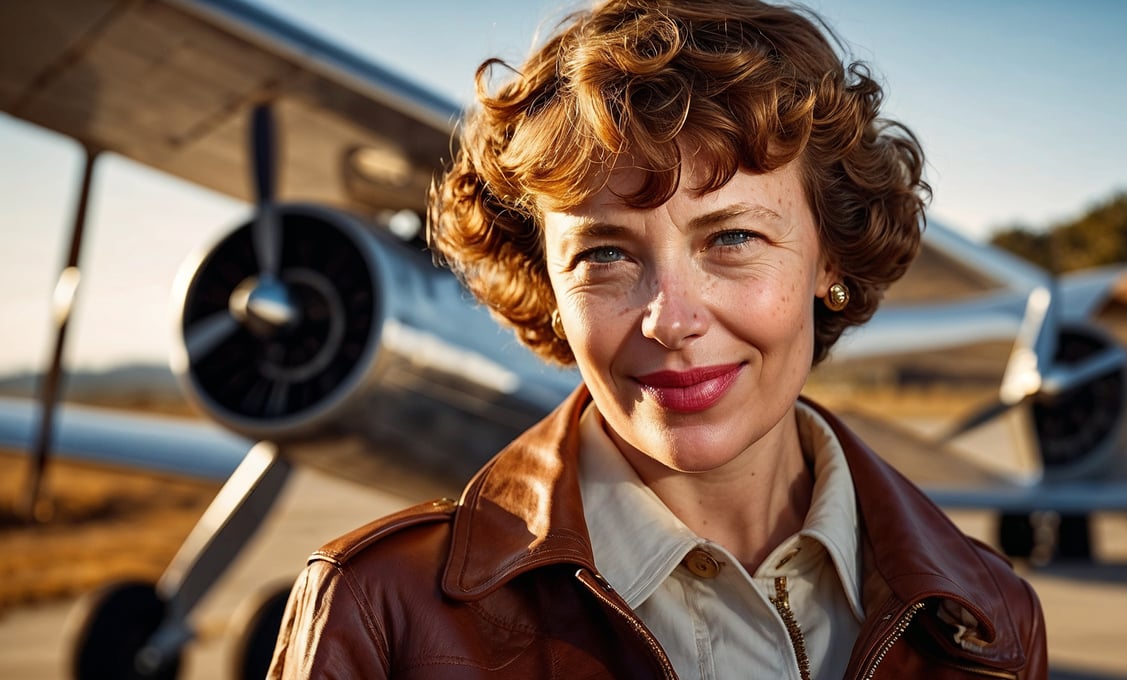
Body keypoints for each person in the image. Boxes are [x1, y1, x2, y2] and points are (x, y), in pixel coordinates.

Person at [269, 0, 1047, 677]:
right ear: (546, 283)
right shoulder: (376, 611)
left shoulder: (991, 618)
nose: (671, 320)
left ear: (829, 257)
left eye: (733, 239)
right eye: (604, 254)